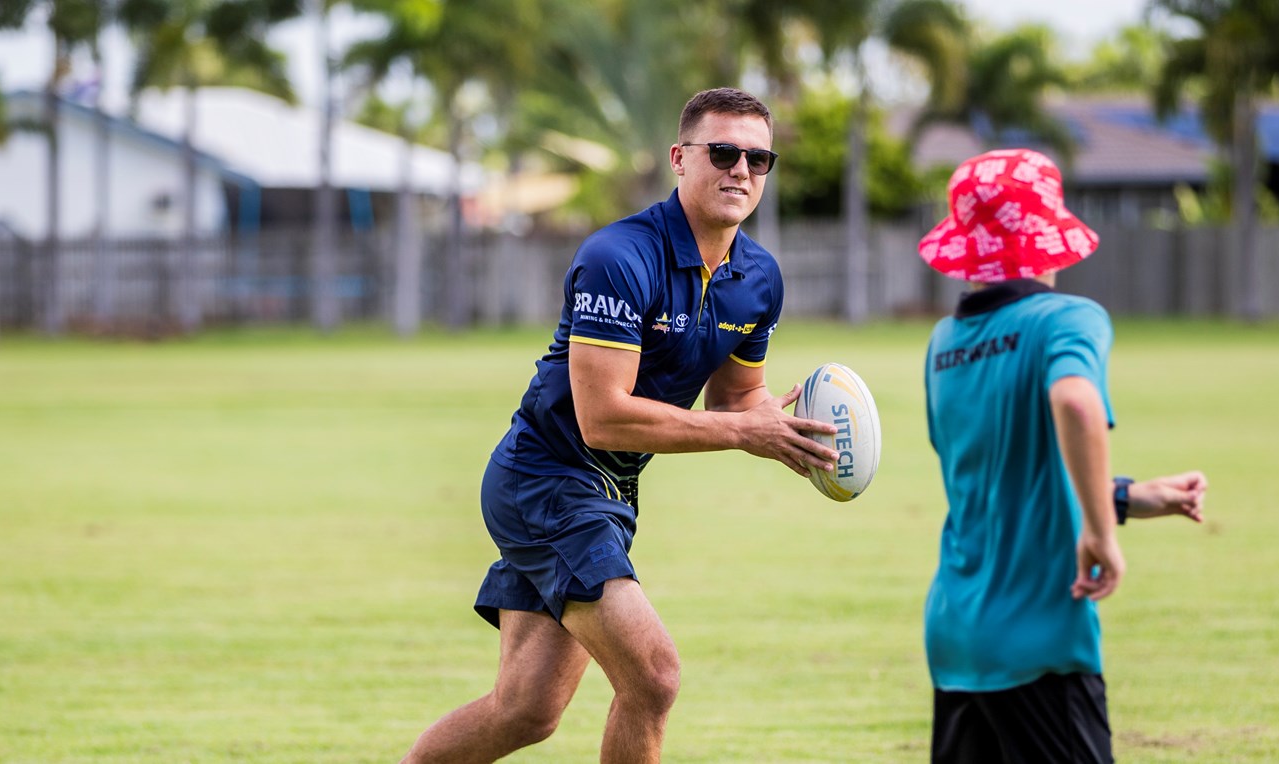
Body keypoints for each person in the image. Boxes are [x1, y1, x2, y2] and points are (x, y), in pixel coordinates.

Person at [403, 87, 838, 764]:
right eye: (723, 152)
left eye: (759, 158)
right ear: (679, 158)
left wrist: (787, 431)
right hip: (544, 480)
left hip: (608, 497)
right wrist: (741, 434)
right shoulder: (620, 256)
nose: (741, 171)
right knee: (654, 677)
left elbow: (737, 399)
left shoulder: (759, 278)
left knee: (526, 711)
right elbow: (602, 417)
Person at [917, 148, 1209, 763]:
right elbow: (1075, 405)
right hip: (1040, 635)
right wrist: (1101, 534)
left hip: (956, 636)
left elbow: (1005, 479)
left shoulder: (943, 346)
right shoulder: (1067, 319)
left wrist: (1128, 497)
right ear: (1046, 237)